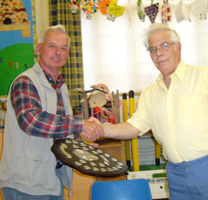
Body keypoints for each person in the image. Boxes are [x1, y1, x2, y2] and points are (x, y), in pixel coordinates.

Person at [101, 23, 208, 200]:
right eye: (153, 49)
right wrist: (102, 129)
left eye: (165, 45)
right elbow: (133, 127)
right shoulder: (150, 93)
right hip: (176, 174)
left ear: (178, 47)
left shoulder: (202, 77)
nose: (159, 53)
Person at [0, 24, 104, 200]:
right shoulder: (25, 82)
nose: (58, 52)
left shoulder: (60, 86)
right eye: (52, 46)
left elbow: (58, 127)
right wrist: (80, 124)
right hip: (26, 183)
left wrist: (81, 143)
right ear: (38, 49)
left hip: (51, 178)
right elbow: (32, 121)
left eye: (63, 48)